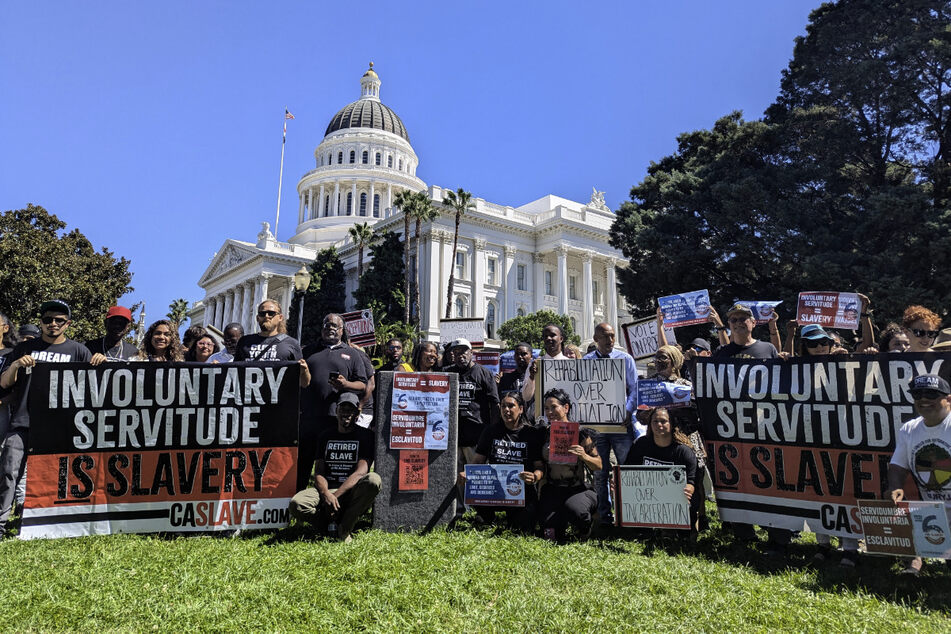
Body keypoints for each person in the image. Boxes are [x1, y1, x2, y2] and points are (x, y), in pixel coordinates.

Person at [0, 300, 100, 537]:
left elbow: (94, 389)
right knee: (8, 472)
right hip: (23, 422)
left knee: (57, 476)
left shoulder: (78, 351)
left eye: (58, 320)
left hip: (61, 426)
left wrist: (100, 364)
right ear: (41, 322)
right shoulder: (24, 348)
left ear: (67, 324)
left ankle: (51, 523)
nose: (52, 324)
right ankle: (1, 524)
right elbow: (4, 383)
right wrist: (15, 365)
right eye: (47, 320)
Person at [712, 303, 790, 554]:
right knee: (739, 479)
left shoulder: (767, 349)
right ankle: (744, 534)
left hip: (766, 428)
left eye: (743, 318)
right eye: (733, 319)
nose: (737, 322)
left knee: (771, 480)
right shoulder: (721, 353)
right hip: (734, 429)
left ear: (753, 323)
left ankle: (778, 536)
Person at [789, 324, 858, 565]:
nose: (819, 347)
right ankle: (823, 544)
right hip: (811, 438)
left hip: (841, 438)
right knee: (816, 491)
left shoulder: (844, 363)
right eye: (812, 344)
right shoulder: (795, 370)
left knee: (844, 491)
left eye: (823, 342)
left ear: (831, 343)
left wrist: (846, 361)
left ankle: (850, 547)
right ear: (804, 348)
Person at [288, 393, 380, 543]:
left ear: (357, 413)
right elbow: (319, 471)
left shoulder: (365, 436)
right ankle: (327, 525)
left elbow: (360, 473)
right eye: (342, 408)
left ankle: (344, 528)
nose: (346, 413)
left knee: (373, 480)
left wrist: (334, 497)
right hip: (327, 489)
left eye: (350, 410)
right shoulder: (325, 435)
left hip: (351, 491)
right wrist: (325, 495)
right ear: (336, 411)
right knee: (297, 504)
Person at [887, 374, 951, 576]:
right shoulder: (909, 429)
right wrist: (895, 487)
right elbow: (897, 465)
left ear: (948, 399)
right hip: (932, 511)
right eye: (917, 394)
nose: (924, 399)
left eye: (931, 394)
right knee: (898, 507)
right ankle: (914, 563)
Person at [298, 313, 368, 491]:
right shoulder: (307, 351)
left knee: (330, 466)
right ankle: (296, 502)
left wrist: (345, 384)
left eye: (335, 326)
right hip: (308, 418)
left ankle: (330, 501)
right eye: (327, 324)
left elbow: (363, 385)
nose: (330, 328)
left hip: (335, 421)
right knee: (303, 463)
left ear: (342, 330)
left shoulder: (352, 354)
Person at [461, 391, 545, 533]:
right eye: (503, 407)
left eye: (511, 406)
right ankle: (486, 516)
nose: (506, 410)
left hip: (521, 490)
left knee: (521, 528)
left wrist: (535, 476)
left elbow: (540, 467)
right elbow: (477, 461)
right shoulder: (490, 432)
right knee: (481, 521)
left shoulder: (531, 434)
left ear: (521, 409)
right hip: (494, 489)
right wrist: (466, 473)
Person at [583, 322, 639, 527]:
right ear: (596, 339)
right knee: (600, 473)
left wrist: (628, 410)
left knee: (626, 470)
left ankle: (629, 515)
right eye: (605, 336)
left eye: (613, 336)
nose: (610, 340)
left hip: (621, 426)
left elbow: (634, 390)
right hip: (597, 428)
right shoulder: (586, 361)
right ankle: (604, 517)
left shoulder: (626, 359)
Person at [625, 407, 698, 538]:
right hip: (647, 496)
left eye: (663, 421)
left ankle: (683, 529)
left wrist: (689, 489)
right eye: (655, 421)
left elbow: (692, 481)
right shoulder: (640, 445)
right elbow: (628, 471)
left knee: (689, 507)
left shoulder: (683, 451)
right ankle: (651, 528)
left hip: (676, 499)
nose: (659, 425)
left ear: (672, 424)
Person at [538, 389, 601, 542]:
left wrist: (584, 456)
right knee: (549, 533)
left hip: (576, 489)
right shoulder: (543, 433)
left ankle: (586, 525)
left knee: (578, 513)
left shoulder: (580, 434)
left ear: (566, 408)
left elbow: (598, 465)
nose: (550, 412)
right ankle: (560, 519)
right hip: (552, 488)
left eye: (554, 407)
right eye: (546, 408)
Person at [234, 300, 303, 362]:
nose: (266, 316)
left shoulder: (292, 343)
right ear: (257, 318)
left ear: (280, 317)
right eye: (262, 314)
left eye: (271, 313)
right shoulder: (244, 342)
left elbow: (299, 373)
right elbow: (234, 371)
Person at [521, 323, 568, 408]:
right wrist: (532, 378)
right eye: (545, 336)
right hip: (543, 416)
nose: (548, 338)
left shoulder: (570, 364)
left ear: (561, 339)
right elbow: (526, 397)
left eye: (553, 335)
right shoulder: (535, 364)